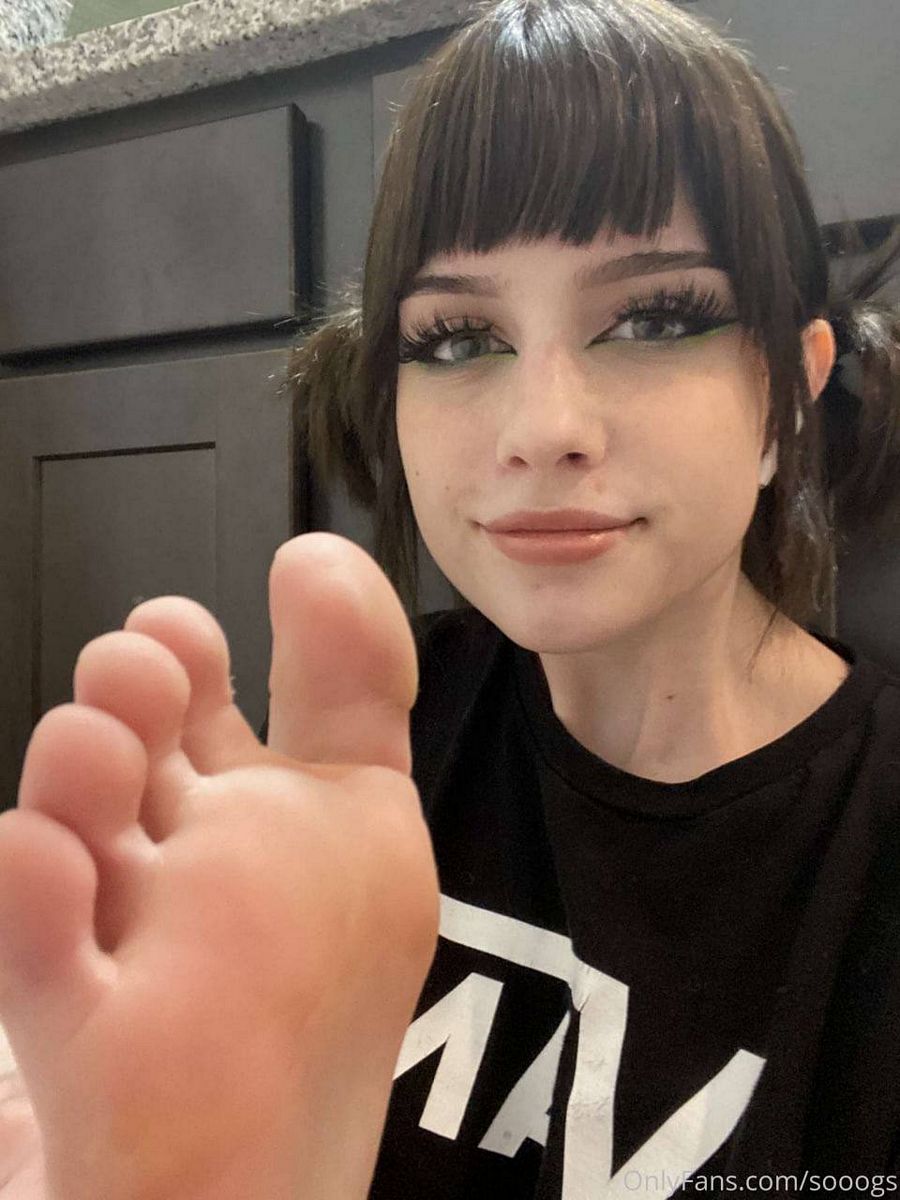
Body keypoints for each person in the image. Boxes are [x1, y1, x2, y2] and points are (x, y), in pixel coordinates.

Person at [0, 0, 899, 1196]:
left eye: (654, 317)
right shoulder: (353, 765)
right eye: (460, 337)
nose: (543, 428)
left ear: (790, 389)